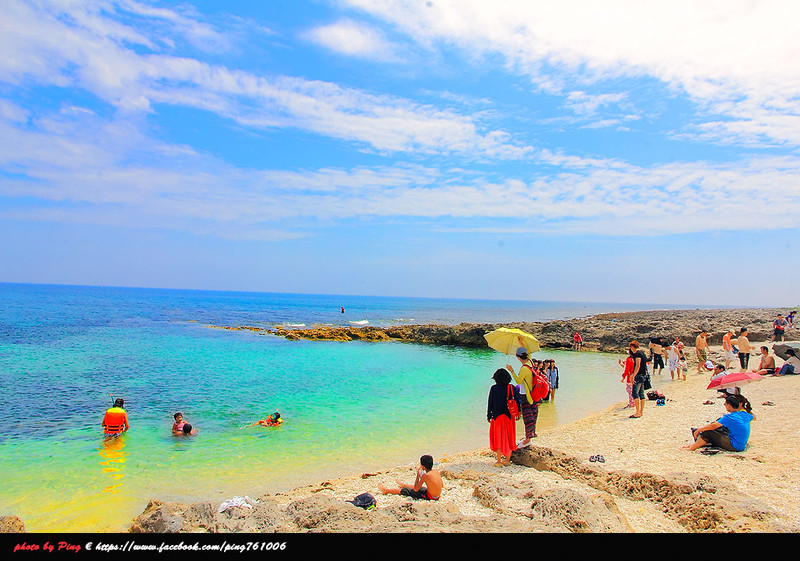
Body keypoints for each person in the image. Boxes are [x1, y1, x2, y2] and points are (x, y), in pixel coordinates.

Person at [682, 394, 755, 452]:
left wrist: (699, 430)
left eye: (725, 404)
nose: (724, 405)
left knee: (708, 432)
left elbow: (713, 426)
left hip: (735, 446)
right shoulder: (745, 414)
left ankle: (691, 448)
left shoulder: (730, 417)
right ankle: (693, 445)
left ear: (729, 405)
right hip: (741, 444)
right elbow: (753, 416)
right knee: (717, 430)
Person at [487, 368, 521, 467]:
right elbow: (517, 402)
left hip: (497, 417)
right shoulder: (512, 388)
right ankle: (507, 459)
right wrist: (518, 414)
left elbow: (490, 403)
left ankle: (498, 461)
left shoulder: (494, 388)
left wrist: (489, 415)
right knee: (509, 436)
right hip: (509, 417)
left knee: (498, 437)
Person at [506, 347, 537, 447]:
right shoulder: (530, 363)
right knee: (531, 416)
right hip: (533, 395)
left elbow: (518, 381)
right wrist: (521, 343)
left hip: (526, 396)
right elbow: (529, 352)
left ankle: (527, 440)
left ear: (518, 357)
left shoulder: (524, 368)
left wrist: (511, 371)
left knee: (527, 418)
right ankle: (528, 437)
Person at [377, 455, 442, 500]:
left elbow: (416, 489)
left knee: (406, 491)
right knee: (422, 488)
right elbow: (441, 485)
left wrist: (418, 475)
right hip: (436, 495)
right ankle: (404, 485)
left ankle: (386, 490)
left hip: (430, 496)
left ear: (423, 467)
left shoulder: (425, 476)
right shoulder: (435, 471)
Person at [627, 340, 649, 418]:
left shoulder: (637, 354)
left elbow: (637, 365)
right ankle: (640, 411)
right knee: (641, 394)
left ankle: (637, 412)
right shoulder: (642, 353)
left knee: (635, 393)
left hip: (639, 376)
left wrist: (633, 375)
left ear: (632, 347)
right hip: (643, 375)